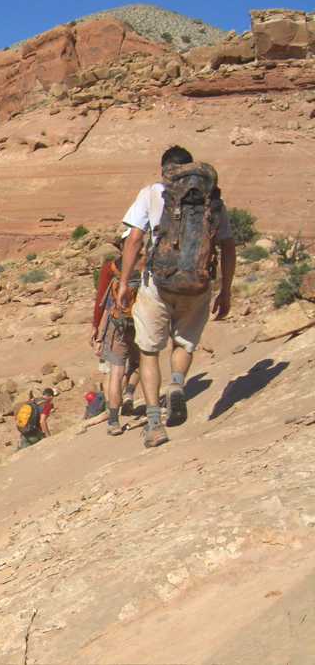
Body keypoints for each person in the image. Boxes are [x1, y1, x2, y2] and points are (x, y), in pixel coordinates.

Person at [116, 145, 237, 448]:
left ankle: (155, 423)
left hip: (158, 282)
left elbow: (133, 239)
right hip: (198, 284)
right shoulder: (212, 198)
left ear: (165, 170)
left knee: (149, 351)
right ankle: (177, 384)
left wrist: (123, 284)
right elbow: (228, 247)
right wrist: (225, 290)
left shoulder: (153, 192)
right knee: (183, 342)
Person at [87, 257, 141, 434]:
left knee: (114, 373)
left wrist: (96, 329)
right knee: (142, 364)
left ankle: (113, 420)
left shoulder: (112, 266)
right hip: (141, 322)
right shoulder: (147, 261)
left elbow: (101, 300)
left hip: (117, 323)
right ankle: (131, 396)